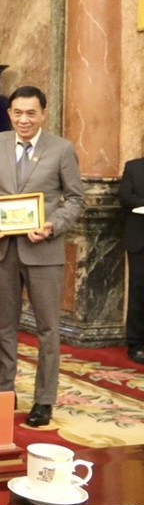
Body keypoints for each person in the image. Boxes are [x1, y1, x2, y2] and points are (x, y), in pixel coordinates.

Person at [0, 85, 84, 428]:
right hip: (3, 249)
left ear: (43, 113)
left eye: (31, 113)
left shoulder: (62, 149)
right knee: (5, 327)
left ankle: (44, 400)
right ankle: (4, 393)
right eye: (18, 113)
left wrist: (52, 225)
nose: (24, 119)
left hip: (44, 251)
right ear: (10, 114)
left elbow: (76, 200)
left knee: (48, 328)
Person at [119, 156, 144, 366]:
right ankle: (136, 344)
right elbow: (126, 198)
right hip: (140, 241)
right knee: (139, 292)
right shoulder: (134, 167)